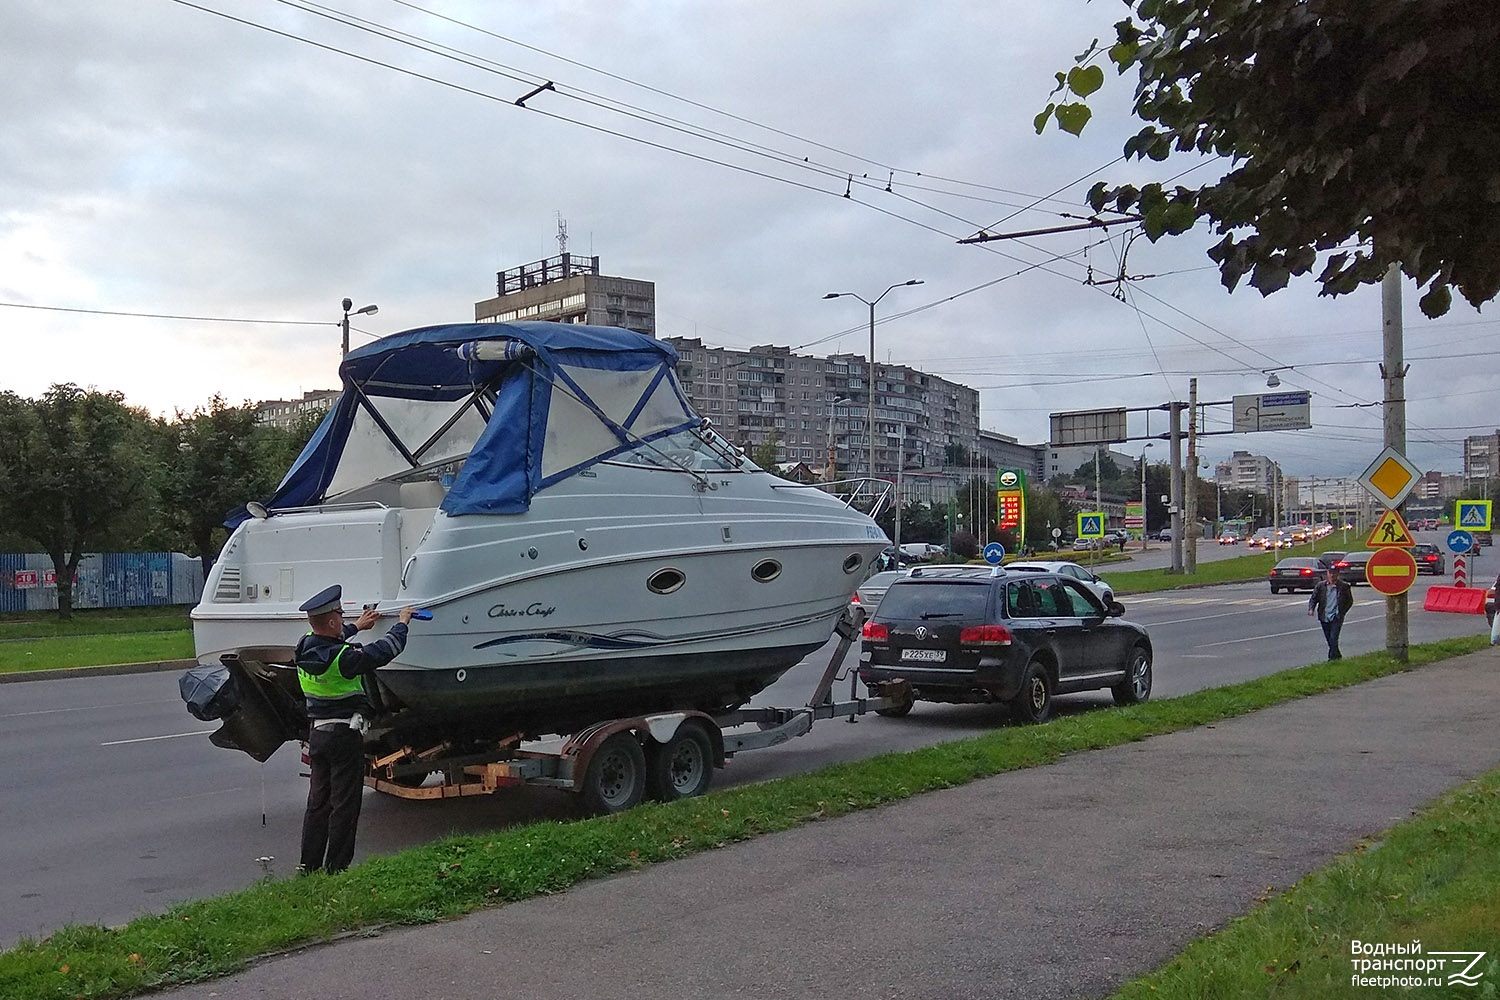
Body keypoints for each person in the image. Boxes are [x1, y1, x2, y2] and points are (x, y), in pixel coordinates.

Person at [295, 585, 415, 874]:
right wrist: (402, 622)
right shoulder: (345, 659)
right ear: (333, 620)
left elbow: (328, 642)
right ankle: (337, 868)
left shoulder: (303, 647)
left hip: (318, 735)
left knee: (318, 802)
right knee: (345, 804)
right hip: (343, 737)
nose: (342, 616)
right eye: (340, 613)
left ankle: (308, 866)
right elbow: (384, 651)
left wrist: (357, 627)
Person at [1306, 565, 1354, 660]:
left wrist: (1342, 612)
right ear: (1327, 573)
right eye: (1330, 573)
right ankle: (1337, 657)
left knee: (1333, 638)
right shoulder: (1321, 586)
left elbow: (1349, 601)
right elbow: (1314, 598)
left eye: (1334, 573)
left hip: (1336, 617)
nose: (1332, 575)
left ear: (1338, 574)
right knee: (1329, 639)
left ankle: (1331, 659)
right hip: (1324, 616)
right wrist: (1311, 608)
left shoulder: (1343, 586)